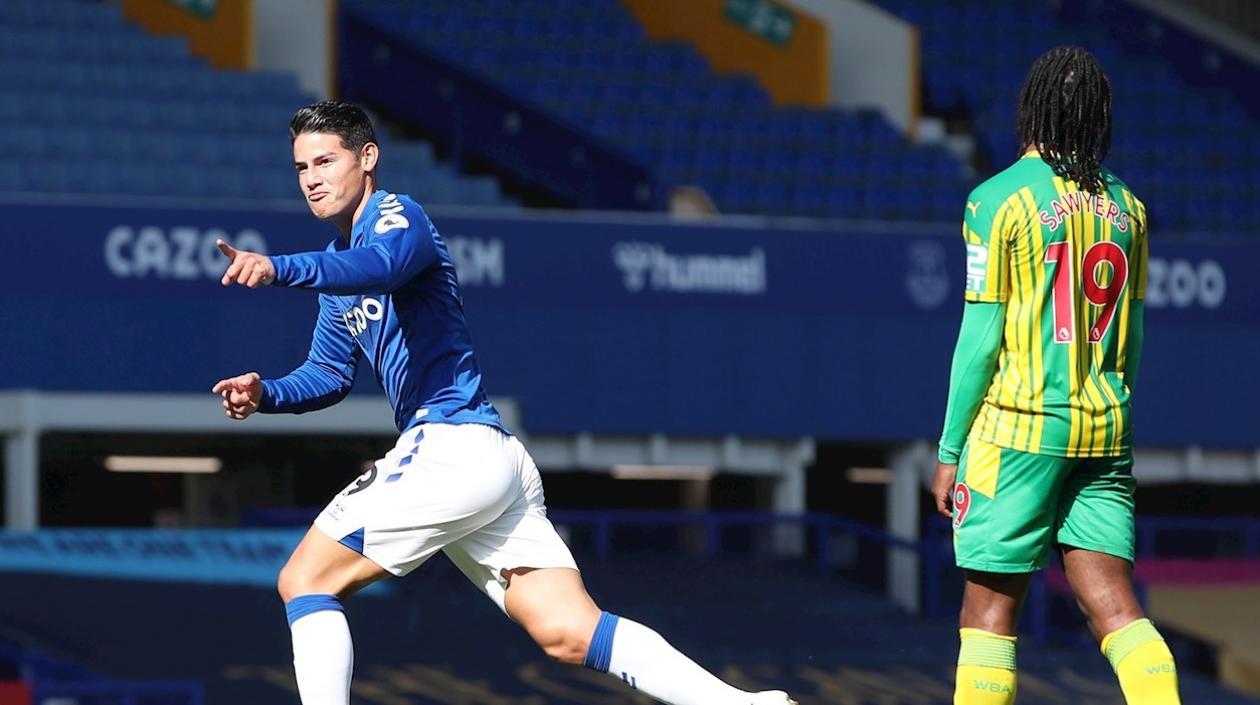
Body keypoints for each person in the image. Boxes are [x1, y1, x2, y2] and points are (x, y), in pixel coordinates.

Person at [211, 100, 796, 705]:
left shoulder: (397, 217)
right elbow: (329, 374)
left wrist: (278, 268)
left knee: (304, 579)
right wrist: (267, 394)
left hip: (450, 448)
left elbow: (383, 266)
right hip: (484, 464)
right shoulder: (337, 272)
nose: (311, 177)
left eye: (325, 160)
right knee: (570, 632)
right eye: (301, 166)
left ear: (367, 158)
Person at [933, 47, 1180, 705]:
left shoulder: (996, 200)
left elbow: (980, 339)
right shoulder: (1129, 208)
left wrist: (950, 450)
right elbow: (1135, 336)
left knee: (988, 614)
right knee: (1118, 610)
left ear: (1031, 108)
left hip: (1017, 431)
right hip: (1104, 430)